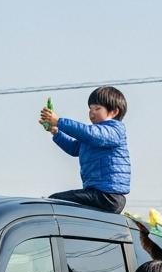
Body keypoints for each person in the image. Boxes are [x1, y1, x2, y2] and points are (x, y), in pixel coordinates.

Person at [38, 86, 131, 214]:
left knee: (56, 201)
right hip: (97, 193)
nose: (92, 113)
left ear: (114, 112)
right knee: (60, 203)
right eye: (90, 109)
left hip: (109, 196)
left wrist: (59, 121)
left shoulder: (114, 130)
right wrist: (55, 131)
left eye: (97, 108)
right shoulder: (95, 135)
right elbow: (74, 148)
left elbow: (89, 134)